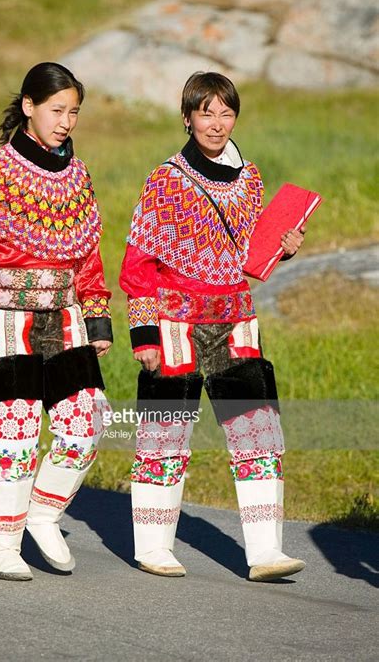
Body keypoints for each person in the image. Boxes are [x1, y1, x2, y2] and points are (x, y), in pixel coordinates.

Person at [119, 71, 306, 582]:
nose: (217, 123)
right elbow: (136, 265)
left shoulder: (252, 179)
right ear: (187, 117)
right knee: (165, 435)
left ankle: (266, 552)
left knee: (259, 433)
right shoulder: (166, 179)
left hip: (236, 318)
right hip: (174, 320)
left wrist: (283, 251)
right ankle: (153, 546)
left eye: (226, 113)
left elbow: (248, 256)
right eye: (206, 112)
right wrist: (144, 336)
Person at [0, 62, 113, 581]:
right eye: (57, 110)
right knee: (11, 435)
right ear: (28, 106)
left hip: (66, 319)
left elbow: (89, 253)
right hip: (4, 318)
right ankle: (0, 541)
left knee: (87, 423)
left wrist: (98, 316)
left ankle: (43, 515)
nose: (66, 121)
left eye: (74, 112)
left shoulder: (79, 174)